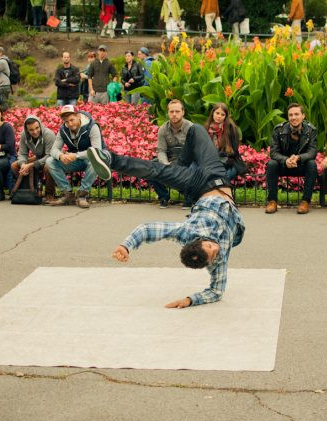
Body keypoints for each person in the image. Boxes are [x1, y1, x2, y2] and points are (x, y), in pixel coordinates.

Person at [87, 122, 245, 308]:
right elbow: (217, 291)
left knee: (189, 137)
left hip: (197, 183)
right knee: (185, 145)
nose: (216, 248)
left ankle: (111, 159)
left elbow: (147, 229)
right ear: (209, 262)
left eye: (210, 246)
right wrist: (189, 300)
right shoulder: (218, 259)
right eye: (213, 253)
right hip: (214, 179)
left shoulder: (186, 232)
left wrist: (126, 246)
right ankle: (170, 166)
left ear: (198, 241)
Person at [45, 105, 105, 209]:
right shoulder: (63, 130)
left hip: (90, 160)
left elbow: (97, 150)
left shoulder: (92, 126)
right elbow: (53, 150)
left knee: (95, 160)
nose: (70, 124)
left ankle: (82, 194)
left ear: (78, 116)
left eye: (72, 120)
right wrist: (60, 156)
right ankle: (67, 194)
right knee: (50, 161)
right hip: (74, 161)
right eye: (66, 121)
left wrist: (76, 155)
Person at [265, 103, 318, 214]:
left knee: (312, 164)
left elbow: (312, 152)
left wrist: (298, 158)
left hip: (301, 165)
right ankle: (272, 201)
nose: (293, 117)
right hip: (284, 165)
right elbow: (274, 153)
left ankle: (305, 201)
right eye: (291, 115)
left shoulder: (311, 130)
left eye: (296, 114)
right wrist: (285, 160)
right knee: (271, 164)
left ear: (303, 116)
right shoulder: (278, 130)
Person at [153, 99, 194, 209]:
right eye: (171, 112)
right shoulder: (163, 129)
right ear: (168, 113)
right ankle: (164, 196)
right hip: (170, 160)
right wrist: (165, 164)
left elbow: (196, 151)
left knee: (194, 168)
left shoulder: (191, 128)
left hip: (187, 161)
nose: (174, 114)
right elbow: (161, 150)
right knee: (151, 167)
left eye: (177, 111)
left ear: (183, 112)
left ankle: (189, 198)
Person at [11, 115, 57, 203]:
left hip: (50, 158)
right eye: (31, 130)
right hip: (38, 158)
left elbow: (49, 155)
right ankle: (28, 190)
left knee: (48, 166)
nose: (35, 132)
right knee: (14, 166)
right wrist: (23, 164)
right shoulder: (24, 135)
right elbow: (22, 153)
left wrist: (31, 164)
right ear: (27, 129)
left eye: (37, 128)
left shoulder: (48, 134)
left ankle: (49, 194)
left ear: (40, 125)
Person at [204, 102, 247, 181]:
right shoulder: (206, 128)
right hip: (210, 162)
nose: (219, 116)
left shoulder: (231, 128)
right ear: (212, 113)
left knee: (225, 176)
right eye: (217, 113)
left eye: (222, 115)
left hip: (228, 161)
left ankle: (217, 185)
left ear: (225, 116)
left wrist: (222, 156)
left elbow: (234, 151)